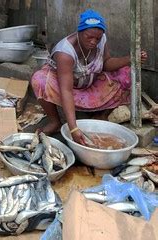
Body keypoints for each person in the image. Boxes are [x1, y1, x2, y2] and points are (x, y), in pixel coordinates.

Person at [31, 9, 148, 145]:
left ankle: (101, 115)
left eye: (97, 38)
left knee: (127, 74)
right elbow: (66, 90)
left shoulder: (101, 40)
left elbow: (106, 63)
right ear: (79, 32)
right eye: (89, 37)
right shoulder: (65, 52)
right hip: (67, 89)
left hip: (91, 86)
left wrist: (130, 59)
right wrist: (73, 129)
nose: (93, 42)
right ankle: (55, 121)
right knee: (39, 80)